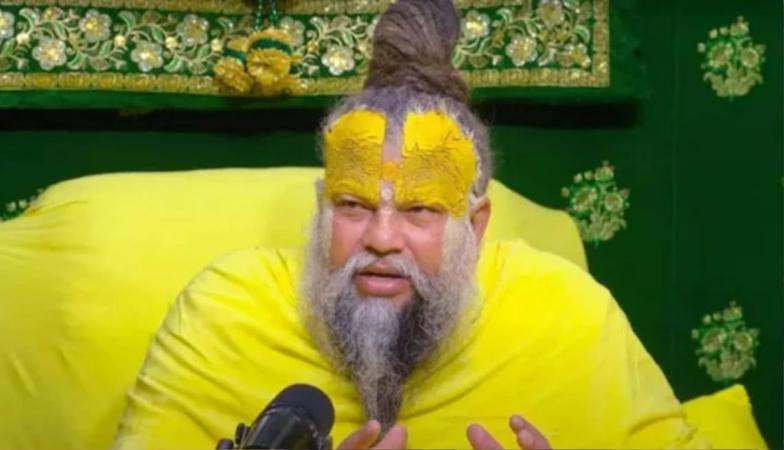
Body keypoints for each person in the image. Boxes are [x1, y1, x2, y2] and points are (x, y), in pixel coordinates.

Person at [114, 0, 709, 448]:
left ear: (475, 225)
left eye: (420, 210)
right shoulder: (220, 312)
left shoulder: (569, 313)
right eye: (353, 205)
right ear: (321, 211)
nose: (380, 239)